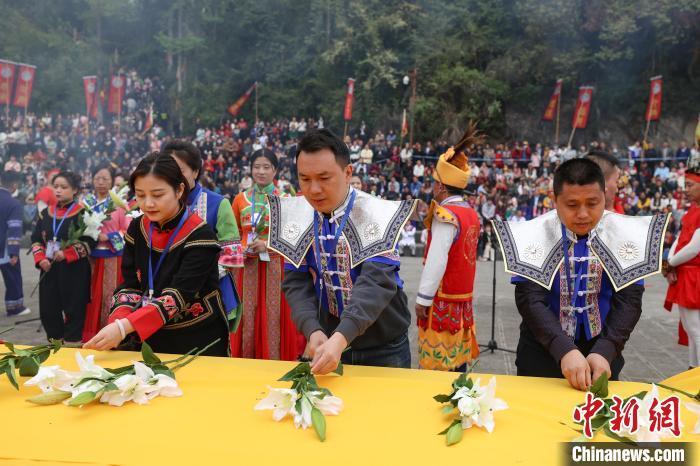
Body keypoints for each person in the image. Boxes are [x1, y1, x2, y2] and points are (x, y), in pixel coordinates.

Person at [492, 158, 670, 390]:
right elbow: (530, 299)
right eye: (572, 205)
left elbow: (629, 300)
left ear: (604, 196)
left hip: (604, 349)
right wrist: (562, 348)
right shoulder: (535, 233)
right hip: (541, 349)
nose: (583, 214)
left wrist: (606, 349)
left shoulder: (625, 234)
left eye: (592, 203)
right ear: (555, 200)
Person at [270, 129, 416, 375]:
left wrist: (341, 337)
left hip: (384, 345)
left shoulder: (375, 214)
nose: (314, 189)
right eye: (304, 179)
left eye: (324, 178)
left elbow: (376, 283)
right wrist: (312, 329)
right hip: (327, 341)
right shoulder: (297, 214)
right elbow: (296, 281)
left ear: (348, 173)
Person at [83, 153, 229, 356]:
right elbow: (131, 284)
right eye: (140, 195)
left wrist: (124, 327)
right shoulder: (137, 227)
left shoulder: (200, 235)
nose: (148, 204)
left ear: (179, 190)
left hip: (195, 335)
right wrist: (119, 320)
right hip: (147, 330)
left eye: (158, 195)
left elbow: (178, 295)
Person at [415, 125, 481, 371]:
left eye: (434, 183)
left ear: (441, 186)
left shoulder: (445, 214)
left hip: (442, 299)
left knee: (438, 363)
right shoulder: (470, 214)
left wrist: (423, 298)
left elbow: (437, 260)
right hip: (462, 299)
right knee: (457, 362)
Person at [231, 149, 305, 360]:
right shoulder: (240, 199)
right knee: (247, 316)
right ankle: (244, 363)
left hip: (274, 267)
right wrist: (240, 248)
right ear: (251, 170)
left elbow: (294, 237)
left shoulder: (285, 200)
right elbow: (234, 234)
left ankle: (273, 363)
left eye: (266, 167)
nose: (261, 172)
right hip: (247, 269)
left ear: (275, 170)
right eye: (256, 167)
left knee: (273, 317)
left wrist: (268, 244)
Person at [163, 140, 243, 329]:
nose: (174, 176)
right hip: (165, 294)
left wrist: (196, 275)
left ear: (195, 171)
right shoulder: (159, 205)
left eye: (181, 170)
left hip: (209, 295)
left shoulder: (218, 203)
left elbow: (231, 255)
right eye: (168, 169)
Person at [31, 171, 95, 346]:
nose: (58, 190)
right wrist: (41, 259)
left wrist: (67, 254)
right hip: (49, 268)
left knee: (74, 309)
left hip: (74, 271)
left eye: (63, 187)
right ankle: (55, 346)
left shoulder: (84, 214)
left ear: (74, 190)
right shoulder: (45, 213)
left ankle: (73, 346)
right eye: (56, 186)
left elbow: (90, 241)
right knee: (48, 310)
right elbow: (36, 238)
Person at [82, 164, 131, 341]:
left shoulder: (119, 204)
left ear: (112, 182)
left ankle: (106, 331)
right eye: (97, 178)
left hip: (111, 257)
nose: (101, 182)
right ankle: (87, 331)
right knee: (89, 293)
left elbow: (126, 231)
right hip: (89, 256)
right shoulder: (86, 202)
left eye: (105, 179)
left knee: (108, 294)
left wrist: (108, 236)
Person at [664, 152, 700, 368]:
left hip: (694, 276)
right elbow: (679, 240)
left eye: (689, 185)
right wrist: (671, 260)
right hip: (685, 273)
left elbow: (695, 247)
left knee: (696, 328)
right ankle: (692, 369)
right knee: (690, 327)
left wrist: (671, 263)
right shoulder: (692, 211)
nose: (685, 189)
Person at [0, 170, 29, 316]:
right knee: (12, 277)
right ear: (14, 184)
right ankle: (15, 307)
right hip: (4, 249)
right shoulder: (13, 203)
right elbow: (14, 228)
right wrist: (13, 252)